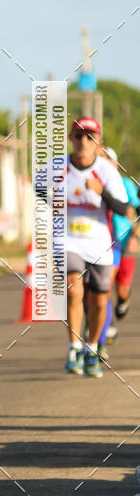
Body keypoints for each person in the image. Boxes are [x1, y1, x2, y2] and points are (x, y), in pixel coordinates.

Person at [63, 118, 129, 378]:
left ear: (98, 142)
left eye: (89, 137)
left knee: (100, 301)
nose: (83, 141)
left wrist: (101, 192)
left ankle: (92, 348)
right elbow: (39, 190)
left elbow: (124, 209)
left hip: (100, 243)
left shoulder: (106, 171)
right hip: (69, 241)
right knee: (73, 286)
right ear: (71, 138)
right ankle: (73, 347)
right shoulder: (59, 167)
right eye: (78, 136)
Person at [96, 147, 140, 355]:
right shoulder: (92, 183)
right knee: (103, 287)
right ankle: (106, 327)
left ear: (114, 164)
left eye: (105, 159)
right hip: (105, 244)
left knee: (121, 290)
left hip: (125, 241)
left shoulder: (126, 184)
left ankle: (123, 299)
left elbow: (137, 211)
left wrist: (136, 235)